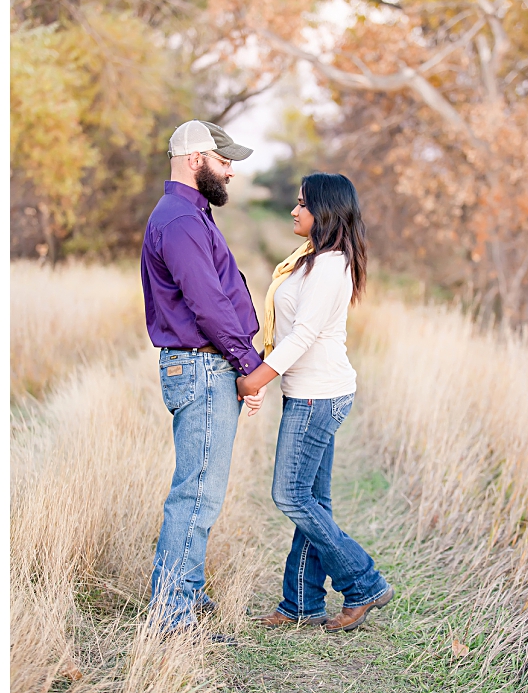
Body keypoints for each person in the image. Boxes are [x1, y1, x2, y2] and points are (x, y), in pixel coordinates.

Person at [236, 173, 393, 632]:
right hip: (311, 392)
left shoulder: (328, 266)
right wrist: (268, 376)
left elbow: (302, 336)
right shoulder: (313, 260)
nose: (293, 210)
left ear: (323, 211)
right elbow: (288, 331)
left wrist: (256, 379)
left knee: (289, 494)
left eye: (302, 204)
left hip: (317, 395)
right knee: (312, 500)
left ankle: (363, 581)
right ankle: (300, 603)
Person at [141, 119, 268, 634]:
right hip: (203, 365)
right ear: (197, 160)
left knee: (200, 489)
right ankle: (172, 617)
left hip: (205, 364)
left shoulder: (191, 215)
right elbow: (209, 305)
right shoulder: (181, 221)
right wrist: (249, 365)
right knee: (196, 493)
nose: (231, 171)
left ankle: (186, 594)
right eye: (224, 160)